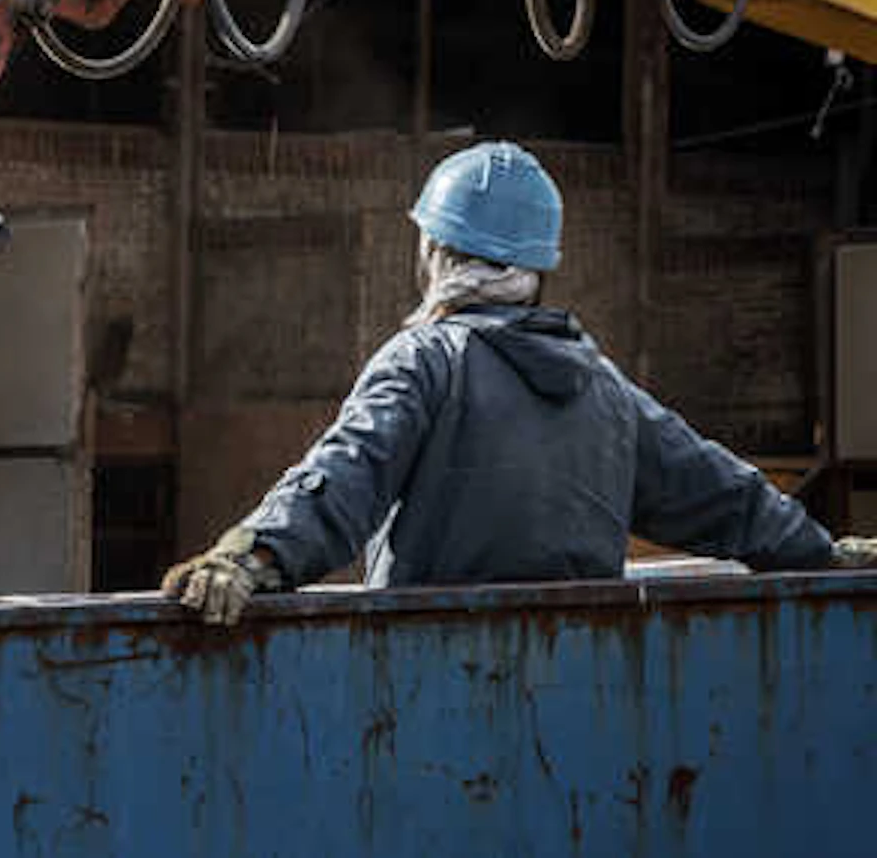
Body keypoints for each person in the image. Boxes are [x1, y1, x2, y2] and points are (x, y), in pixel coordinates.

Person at [164, 140, 877, 626]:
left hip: (425, 690)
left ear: (433, 251)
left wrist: (251, 556)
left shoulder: (425, 361)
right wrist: (819, 552)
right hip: (577, 702)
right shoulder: (604, 388)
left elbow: (344, 473)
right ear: (539, 266)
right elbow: (721, 493)